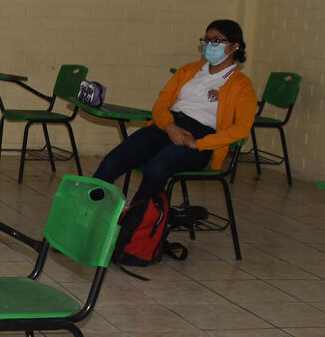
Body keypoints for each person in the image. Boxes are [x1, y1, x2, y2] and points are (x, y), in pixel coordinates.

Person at [93, 20, 257, 203]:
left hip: (198, 137)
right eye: (207, 40)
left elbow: (242, 128)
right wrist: (170, 126)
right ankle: (88, 210)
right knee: (113, 161)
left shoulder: (242, 85)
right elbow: (161, 103)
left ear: (234, 46)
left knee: (156, 168)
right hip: (167, 125)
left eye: (217, 40)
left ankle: (137, 216)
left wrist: (200, 144)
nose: (210, 45)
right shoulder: (189, 70)